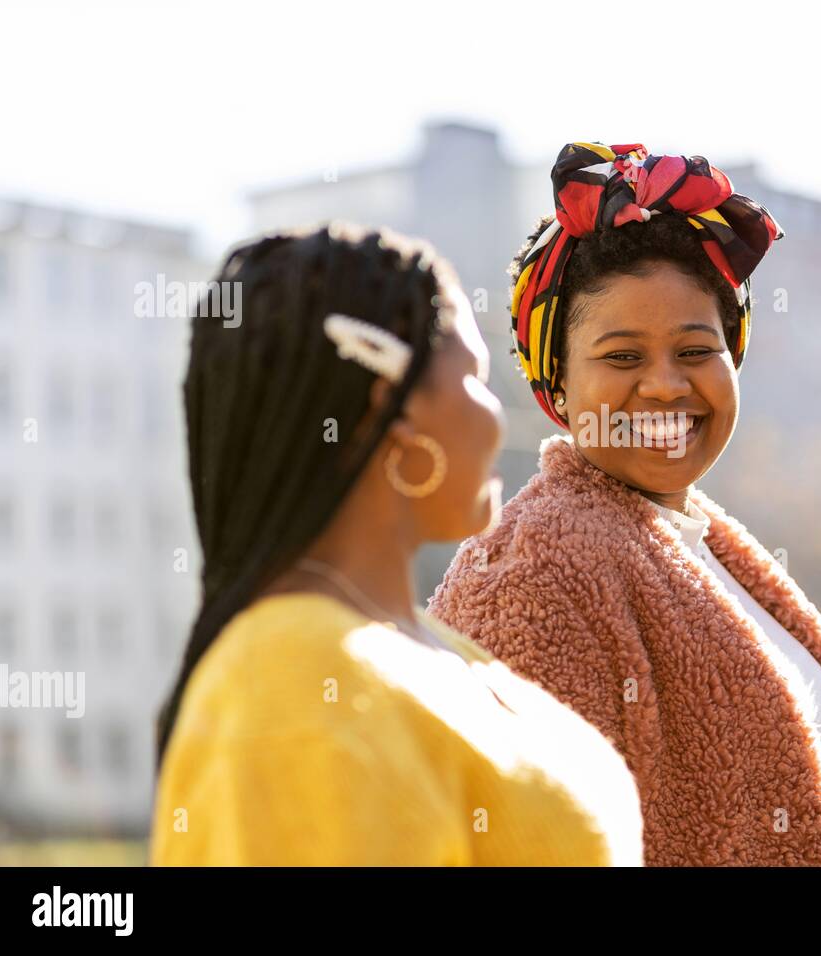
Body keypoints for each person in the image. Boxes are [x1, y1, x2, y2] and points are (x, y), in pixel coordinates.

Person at [430, 142, 821, 866]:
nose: (666, 385)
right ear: (556, 386)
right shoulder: (529, 577)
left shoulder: (708, 550)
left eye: (696, 351)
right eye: (623, 356)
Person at [151, 222, 642, 865]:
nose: (498, 414)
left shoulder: (420, 649)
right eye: (477, 376)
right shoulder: (293, 676)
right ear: (397, 406)